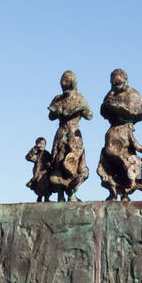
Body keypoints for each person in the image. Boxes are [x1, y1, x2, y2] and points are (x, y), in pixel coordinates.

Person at [96, 68, 142, 200]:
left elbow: (139, 112)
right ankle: (113, 191)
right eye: (113, 82)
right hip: (113, 131)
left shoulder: (133, 93)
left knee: (128, 158)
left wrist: (120, 109)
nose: (115, 84)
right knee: (108, 156)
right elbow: (103, 110)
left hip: (125, 130)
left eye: (118, 81)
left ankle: (125, 192)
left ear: (124, 78)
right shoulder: (110, 94)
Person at [47, 71, 93, 201]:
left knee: (73, 162)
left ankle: (72, 192)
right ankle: (60, 194)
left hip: (74, 133)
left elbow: (89, 115)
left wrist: (79, 109)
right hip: (61, 132)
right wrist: (57, 110)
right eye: (63, 80)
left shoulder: (79, 97)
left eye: (68, 80)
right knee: (58, 161)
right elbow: (51, 116)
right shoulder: (57, 98)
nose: (65, 83)